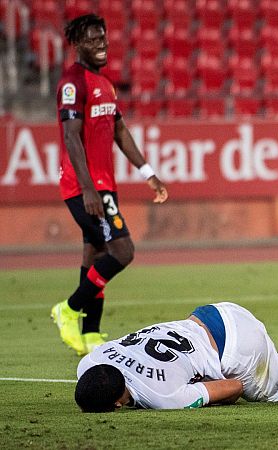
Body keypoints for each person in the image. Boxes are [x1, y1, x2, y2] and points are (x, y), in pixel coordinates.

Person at [50, 14, 168, 356]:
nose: (101, 45)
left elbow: (119, 130)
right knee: (122, 251)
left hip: (104, 184)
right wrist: (88, 188)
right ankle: (69, 309)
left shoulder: (105, 83)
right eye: (92, 39)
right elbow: (71, 138)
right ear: (77, 44)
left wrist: (148, 172)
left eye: (103, 38)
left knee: (96, 250)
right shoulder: (73, 83)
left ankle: (90, 332)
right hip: (83, 186)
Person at [75, 302, 278, 412]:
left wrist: (200, 387)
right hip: (210, 314)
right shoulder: (91, 361)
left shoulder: (162, 397)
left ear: (117, 404)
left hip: (236, 345)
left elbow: (235, 386)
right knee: (277, 369)